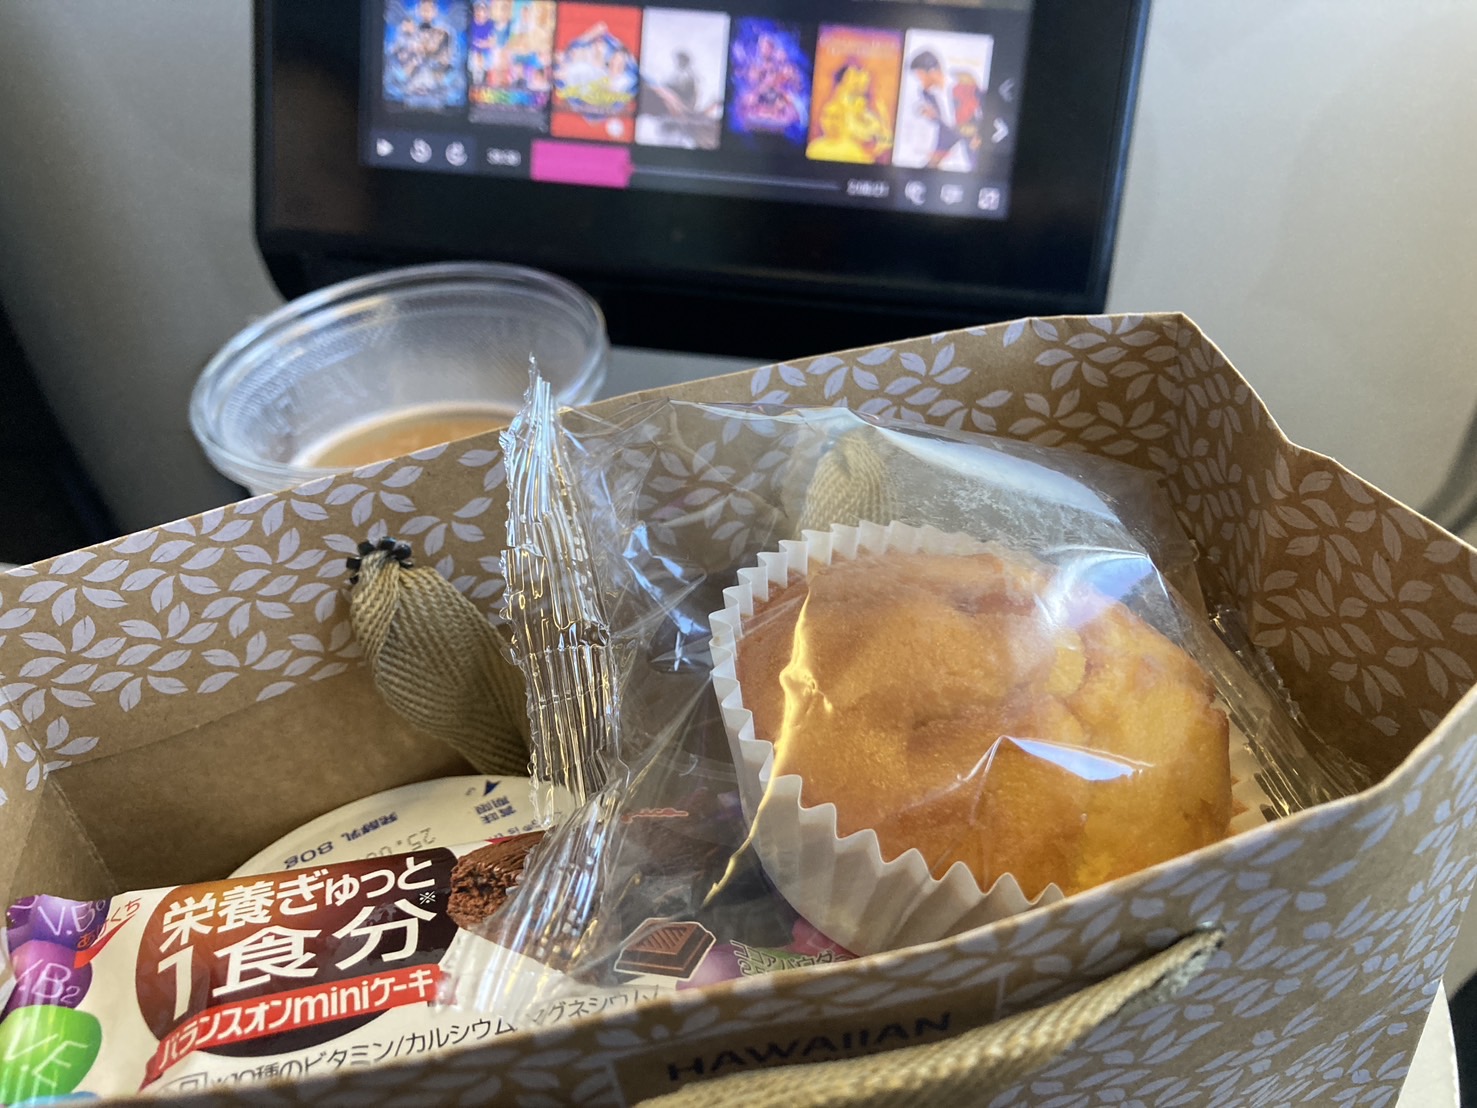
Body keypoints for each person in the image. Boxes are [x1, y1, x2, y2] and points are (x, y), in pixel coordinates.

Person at [907, 49, 970, 170]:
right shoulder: (926, 92)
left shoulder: (962, 85)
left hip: (969, 134)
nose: (919, 80)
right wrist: (925, 112)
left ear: (932, 72)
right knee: (928, 170)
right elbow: (924, 110)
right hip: (947, 134)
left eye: (920, 75)